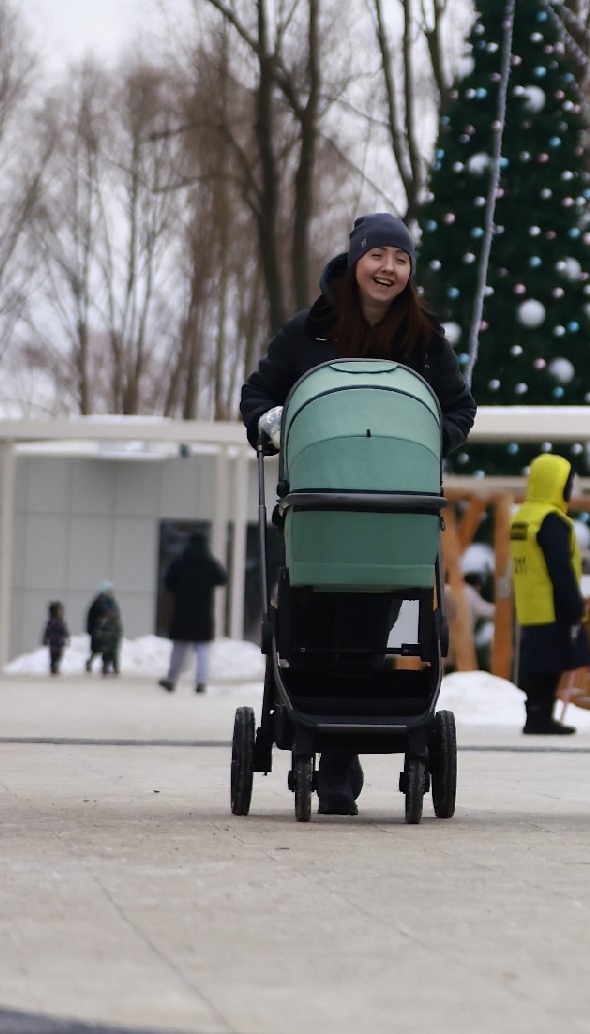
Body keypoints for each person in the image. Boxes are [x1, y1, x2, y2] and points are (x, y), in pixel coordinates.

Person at [239, 211, 475, 816]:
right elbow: (258, 394)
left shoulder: (425, 339)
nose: (388, 269)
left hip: (393, 508)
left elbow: (458, 408)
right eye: (378, 256)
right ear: (356, 259)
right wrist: (273, 423)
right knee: (312, 621)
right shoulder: (309, 331)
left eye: (400, 259)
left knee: (368, 623)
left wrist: (429, 439)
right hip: (320, 504)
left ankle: (340, 759)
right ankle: (320, 740)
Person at [507, 452, 589, 735]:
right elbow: (560, 567)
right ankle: (541, 718)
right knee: (551, 663)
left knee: (536, 661)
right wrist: (576, 606)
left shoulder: (523, 516)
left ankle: (535, 715)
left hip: (529, 603)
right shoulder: (550, 520)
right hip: (552, 602)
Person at [159, 530, 229, 694]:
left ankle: (171, 679)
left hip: (183, 612)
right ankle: (201, 682)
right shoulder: (210, 563)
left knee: (179, 648)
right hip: (203, 613)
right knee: (203, 649)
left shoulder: (180, 562)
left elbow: (169, 584)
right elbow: (222, 578)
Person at [85, 583, 123, 677]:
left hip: (108, 631)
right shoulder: (102, 601)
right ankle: (107, 667)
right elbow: (104, 613)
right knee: (103, 649)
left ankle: (110, 667)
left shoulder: (108, 601)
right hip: (103, 631)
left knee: (106, 649)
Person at [41, 602, 70, 676]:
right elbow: (48, 632)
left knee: (57, 655)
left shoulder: (58, 622)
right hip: (55, 642)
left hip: (58, 642)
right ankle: (54, 667)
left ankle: (55, 667)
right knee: (54, 656)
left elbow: (64, 631)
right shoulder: (54, 622)